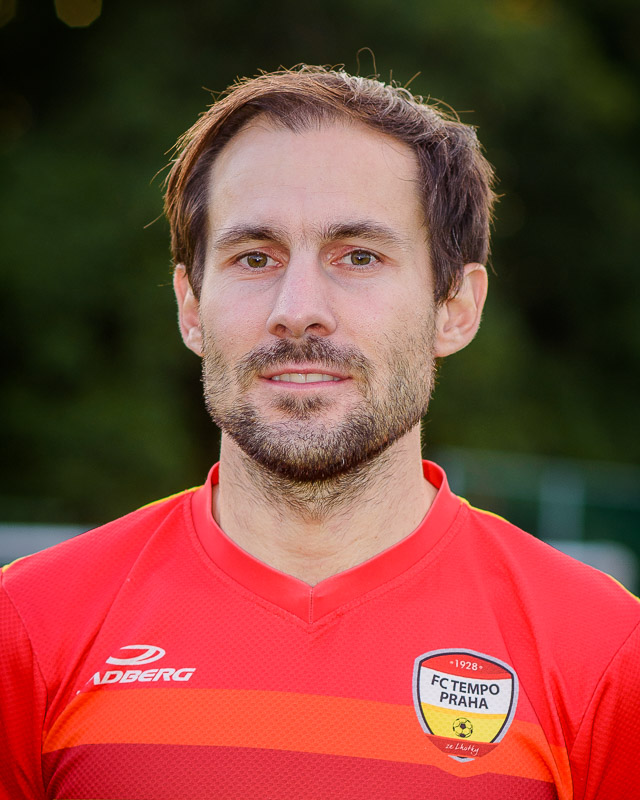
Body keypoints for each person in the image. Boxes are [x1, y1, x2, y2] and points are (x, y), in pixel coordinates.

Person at [1, 66, 638, 800]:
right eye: (255, 258)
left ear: (456, 308)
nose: (297, 308)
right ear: (190, 306)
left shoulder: (607, 655)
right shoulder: (26, 629)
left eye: (359, 257)